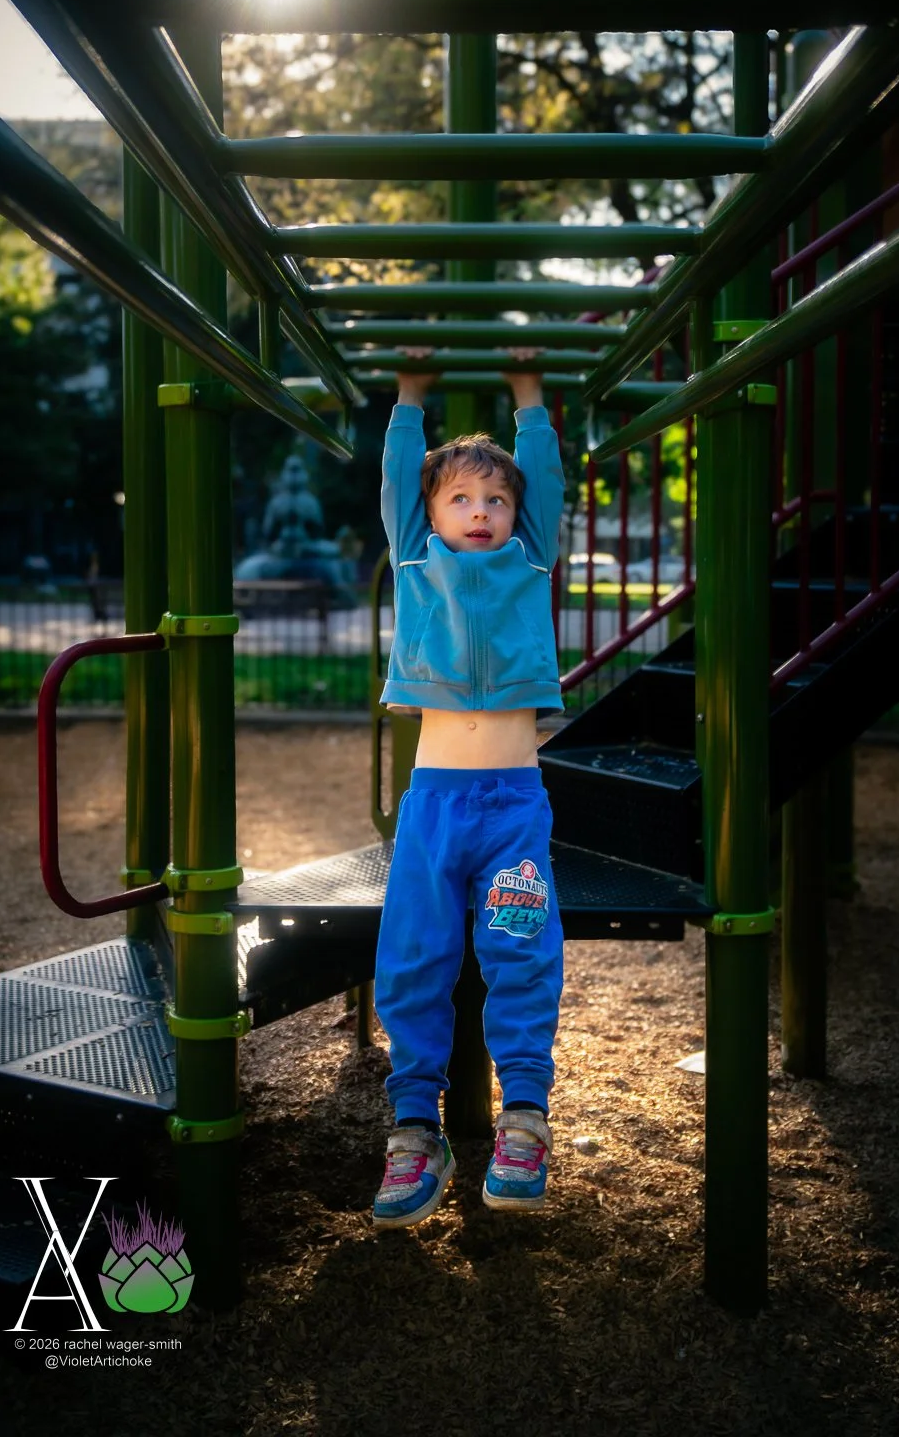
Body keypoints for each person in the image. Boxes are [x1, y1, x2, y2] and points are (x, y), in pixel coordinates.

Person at [372, 369, 566, 1229]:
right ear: (431, 513)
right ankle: (416, 1128)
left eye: (495, 499)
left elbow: (544, 480)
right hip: (434, 806)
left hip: (513, 806)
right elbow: (395, 479)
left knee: (520, 949)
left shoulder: (530, 559)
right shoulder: (417, 561)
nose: (480, 511)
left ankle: (524, 1118)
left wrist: (529, 397)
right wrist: (408, 397)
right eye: (460, 498)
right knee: (415, 955)